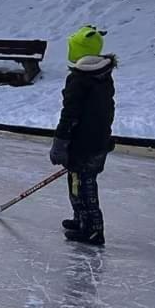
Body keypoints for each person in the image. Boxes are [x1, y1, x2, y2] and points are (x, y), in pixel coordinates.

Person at [50, 25, 116, 246]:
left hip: (83, 146)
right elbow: (107, 110)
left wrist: (60, 144)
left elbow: (69, 115)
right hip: (97, 142)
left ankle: (93, 230)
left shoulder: (79, 79)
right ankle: (81, 220)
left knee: (85, 186)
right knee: (76, 182)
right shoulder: (103, 75)